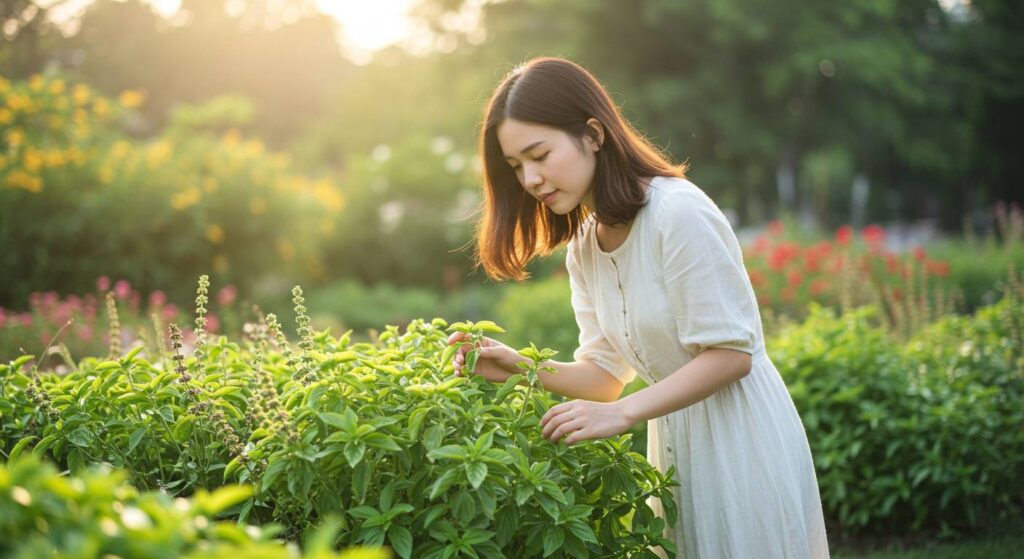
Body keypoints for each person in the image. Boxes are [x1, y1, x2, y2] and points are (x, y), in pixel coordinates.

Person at [446, 56, 829, 558]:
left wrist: (624, 414)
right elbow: (606, 374)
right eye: (517, 167)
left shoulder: (678, 212)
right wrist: (522, 367)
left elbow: (732, 354)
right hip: (672, 445)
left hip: (741, 441)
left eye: (539, 154)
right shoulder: (585, 245)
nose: (531, 179)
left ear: (593, 134)